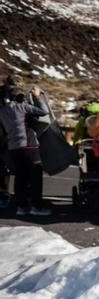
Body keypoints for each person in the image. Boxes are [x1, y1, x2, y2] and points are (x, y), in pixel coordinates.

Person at [0, 87, 51, 216]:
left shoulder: (2, 111)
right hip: (29, 145)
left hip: (13, 147)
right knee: (35, 176)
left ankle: (21, 207)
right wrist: (38, 97)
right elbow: (44, 111)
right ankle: (36, 206)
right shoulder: (22, 107)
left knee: (20, 177)